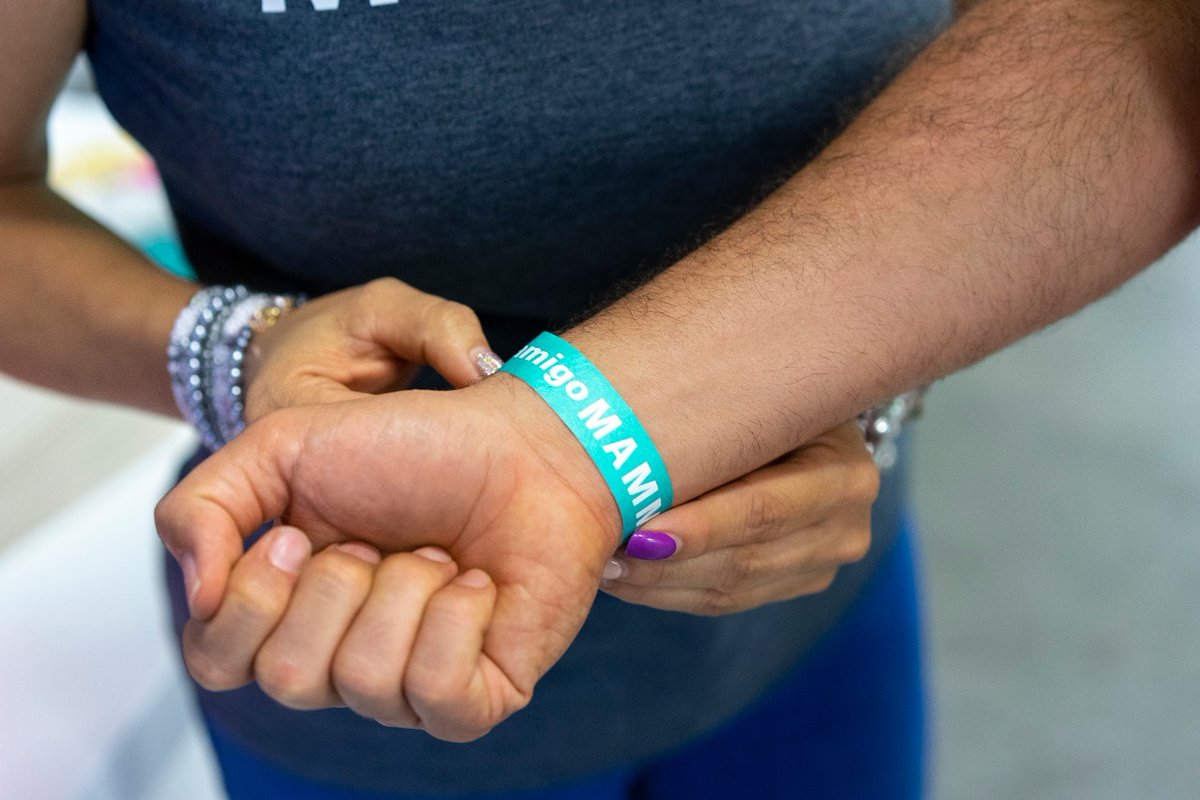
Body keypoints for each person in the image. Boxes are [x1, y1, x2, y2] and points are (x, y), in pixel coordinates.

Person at [6, 0, 1199, 797]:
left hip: (811, 618)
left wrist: (876, 383)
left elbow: (1131, 58)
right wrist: (236, 349)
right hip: (356, 651)